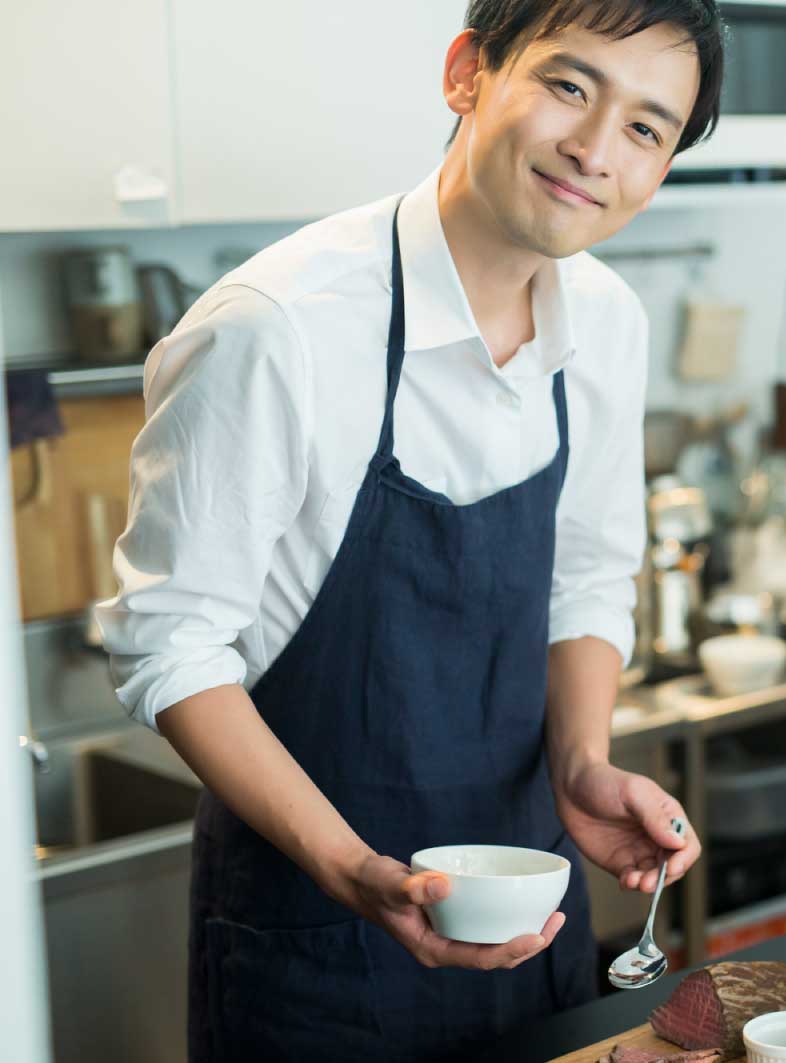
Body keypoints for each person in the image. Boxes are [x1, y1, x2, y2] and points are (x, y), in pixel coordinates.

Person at [96, 2, 724, 1058]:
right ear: (467, 73)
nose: (594, 148)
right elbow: (168, 645)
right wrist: (351, 868)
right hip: (311, 941)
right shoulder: (278, 327)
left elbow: (588, 576)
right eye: (569, 86)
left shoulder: (608, 322)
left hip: (529, 919)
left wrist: (580, 760)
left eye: (645, 128)